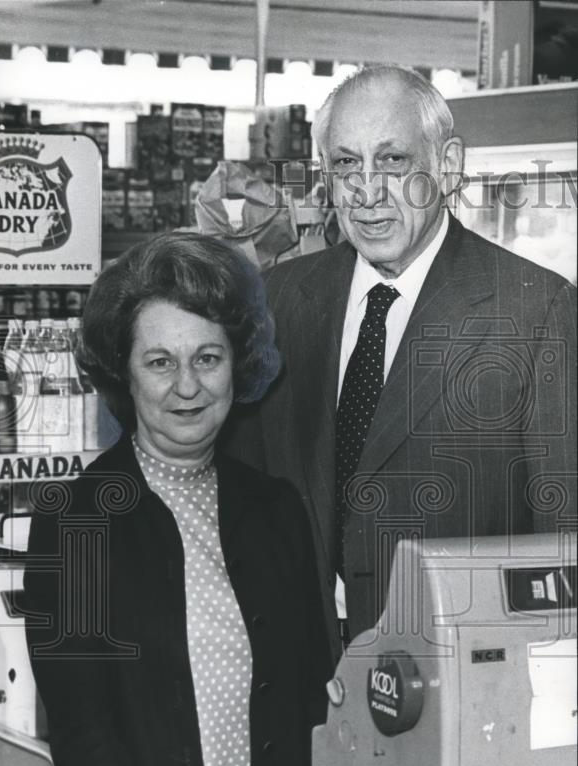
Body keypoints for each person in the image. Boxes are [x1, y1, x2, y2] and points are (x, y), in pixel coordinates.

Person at [23, 232, 331, 766]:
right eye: (159, 361)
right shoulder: (79, 518)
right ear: (123, 374)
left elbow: (306, 708)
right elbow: (84, 734)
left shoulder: (276, 512)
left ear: (239, 364)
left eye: (208, 357)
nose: (186, 385)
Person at [224, 65, 577, 658]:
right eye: (344, 164)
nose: (366, 191)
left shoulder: (535, 310)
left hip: (457, 678)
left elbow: (564, 544)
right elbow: (242, 492)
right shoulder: (279, 298)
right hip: (296, 671)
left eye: (391, 161)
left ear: (448, 165)